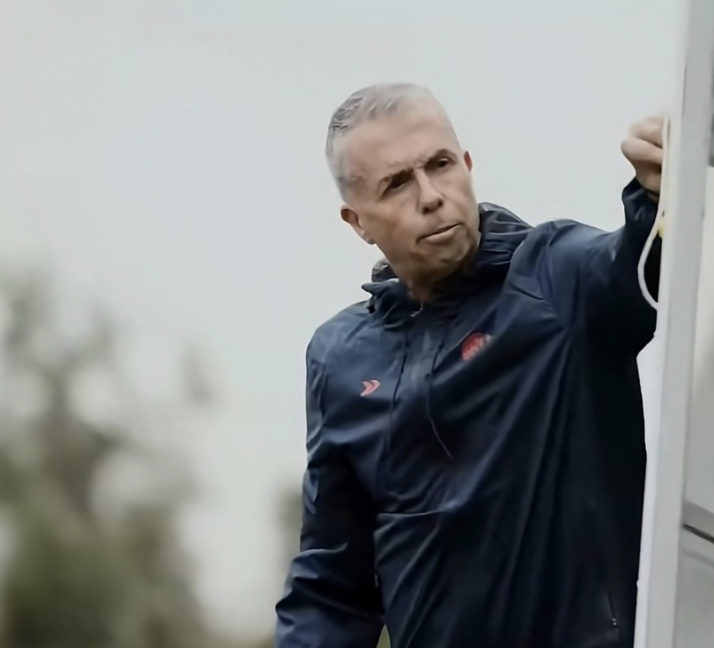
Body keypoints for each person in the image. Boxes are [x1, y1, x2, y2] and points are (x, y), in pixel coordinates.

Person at [275, 82, 665, 648]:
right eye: (397, 184)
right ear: (356, 221)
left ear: (467, 163)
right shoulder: (339, 356)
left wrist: (656, 196)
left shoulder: (556, 278)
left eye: (440, 165)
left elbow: (639, 268)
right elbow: (334, 582)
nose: (431, 196)